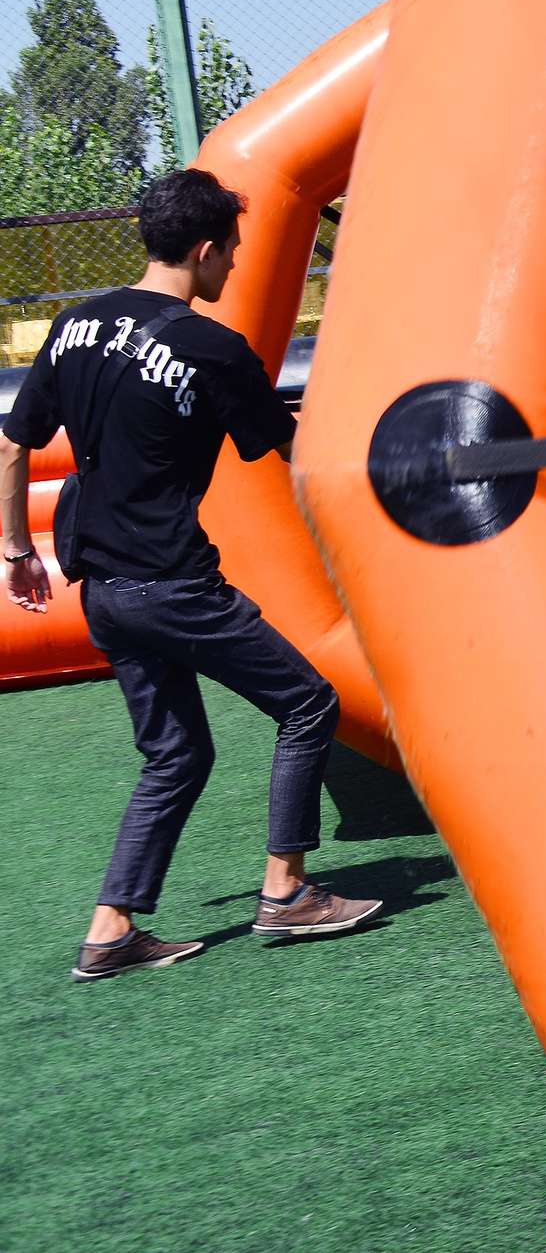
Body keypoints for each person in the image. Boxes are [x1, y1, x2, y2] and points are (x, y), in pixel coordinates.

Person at [0, 168, 383, 982]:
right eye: (232, 249)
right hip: (174, 585)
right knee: (309, 702)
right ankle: (287, 891)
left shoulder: (72, 326)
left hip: (102, 590)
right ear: (205, 248)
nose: (236, 264)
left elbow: (11, 441)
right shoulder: (210, 346)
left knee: (175, 753)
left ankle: (110, 931)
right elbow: (296, 450)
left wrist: (15, 549)